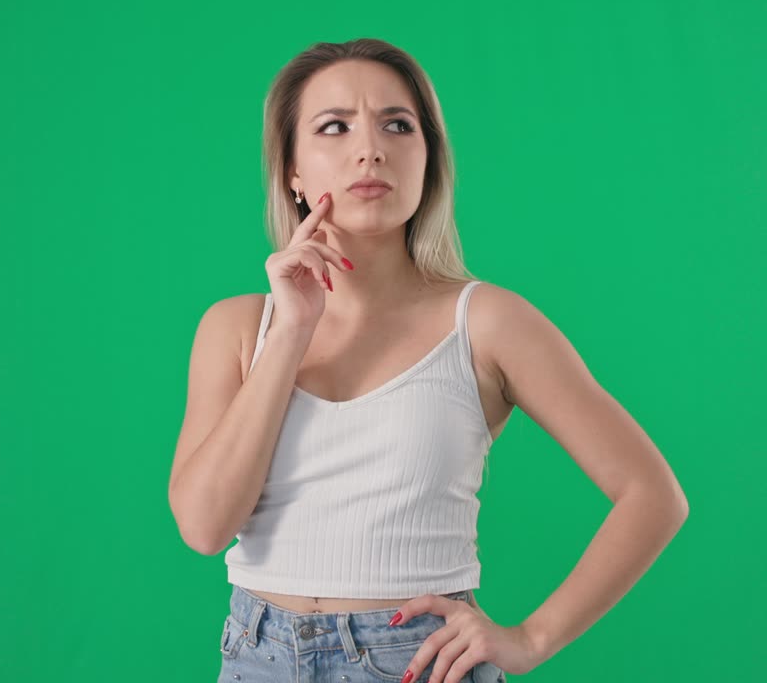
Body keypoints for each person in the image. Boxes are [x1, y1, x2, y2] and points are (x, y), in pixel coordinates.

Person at [169, 38, 688, 683]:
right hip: (258, 656)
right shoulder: (239, 327)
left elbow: (653, 495)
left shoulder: (487, 321)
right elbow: (203, 526)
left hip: (415, 660)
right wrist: (291, 332)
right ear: (292, 174)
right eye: (335, 126)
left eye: (398, 125)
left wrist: (530, 639)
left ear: (427, 160)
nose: (371, 149)